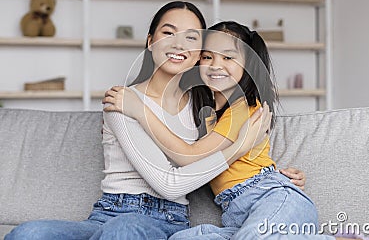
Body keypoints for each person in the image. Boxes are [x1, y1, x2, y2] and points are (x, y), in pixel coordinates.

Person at [5, 2, 271, 240]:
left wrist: (272, 174)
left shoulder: (206, 106)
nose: (179, 45)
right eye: (168, 33)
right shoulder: (122, 101)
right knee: (28, 233)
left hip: (166, 221)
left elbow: (225, 146)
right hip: (108, 214)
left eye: (191, 38)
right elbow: (169, 183)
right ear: (150, 41)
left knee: (125, 230)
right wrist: (242, 145)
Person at [104, 22, 353, 240]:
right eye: (207, 57)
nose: (215, 65)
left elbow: (188, 155)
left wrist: (139, 109)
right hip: (236, 214)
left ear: (249, 65)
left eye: (228, 57)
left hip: (271, 197)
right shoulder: (207, 114)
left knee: (254, 236)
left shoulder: (242, 107)